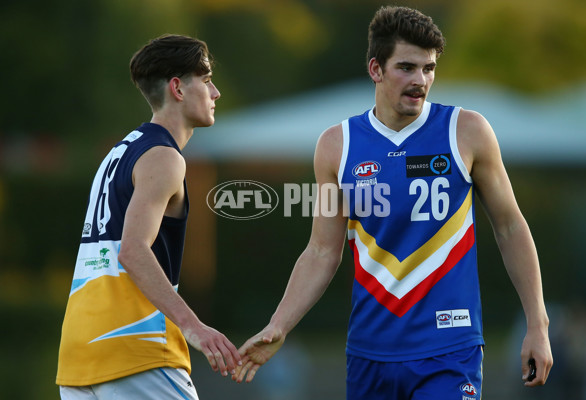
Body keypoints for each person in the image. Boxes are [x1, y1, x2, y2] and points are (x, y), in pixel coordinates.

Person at [233, 6, 553, 399]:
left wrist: (537, 324)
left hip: (449, 350)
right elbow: (321, 251)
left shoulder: (466, 131)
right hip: (370, 354)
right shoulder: (337, 146)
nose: (420, 80)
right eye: (406, 67)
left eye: (429, 68)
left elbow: (510, 226)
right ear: (375, 69)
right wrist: (279, 325)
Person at [56, 34, 241, 399]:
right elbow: (133, 250)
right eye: (205, 81)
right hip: (135, 348)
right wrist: (194, 328)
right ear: (178, 88)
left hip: (79, 355)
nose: (215, 92)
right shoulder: (163, 157)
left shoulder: (119, 152)